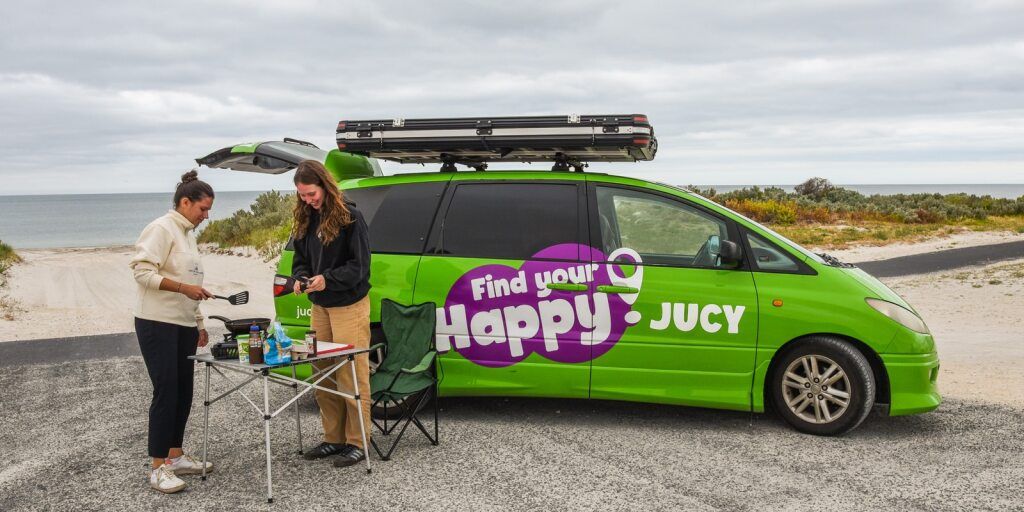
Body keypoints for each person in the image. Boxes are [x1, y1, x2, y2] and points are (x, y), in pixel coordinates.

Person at [129, 170, 216, 494]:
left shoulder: (188, 235)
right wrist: (183, 288)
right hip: (156, 322)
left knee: (184, 392)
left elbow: (192, 284)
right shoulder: (161, 228)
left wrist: (199, 323)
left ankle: (176, 457)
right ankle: (157, 467)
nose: (206, 216)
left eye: (208, 210)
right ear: (184, 202)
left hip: (183, 325)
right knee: (166, 392)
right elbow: (141, 271)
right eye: (202, 208)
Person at [290, 159, 372, 468]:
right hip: (320, 305)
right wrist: (300, 278)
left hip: (349, 303)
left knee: (350, 371)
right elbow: (300, 260)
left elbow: (360, 267)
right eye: (302, 195)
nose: (307, 200)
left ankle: (358, 441)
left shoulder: (351, 216)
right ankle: (333, 439)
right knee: (321, 370)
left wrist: (329, 279)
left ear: (324, 186)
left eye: (311, 194)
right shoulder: (304, 218)